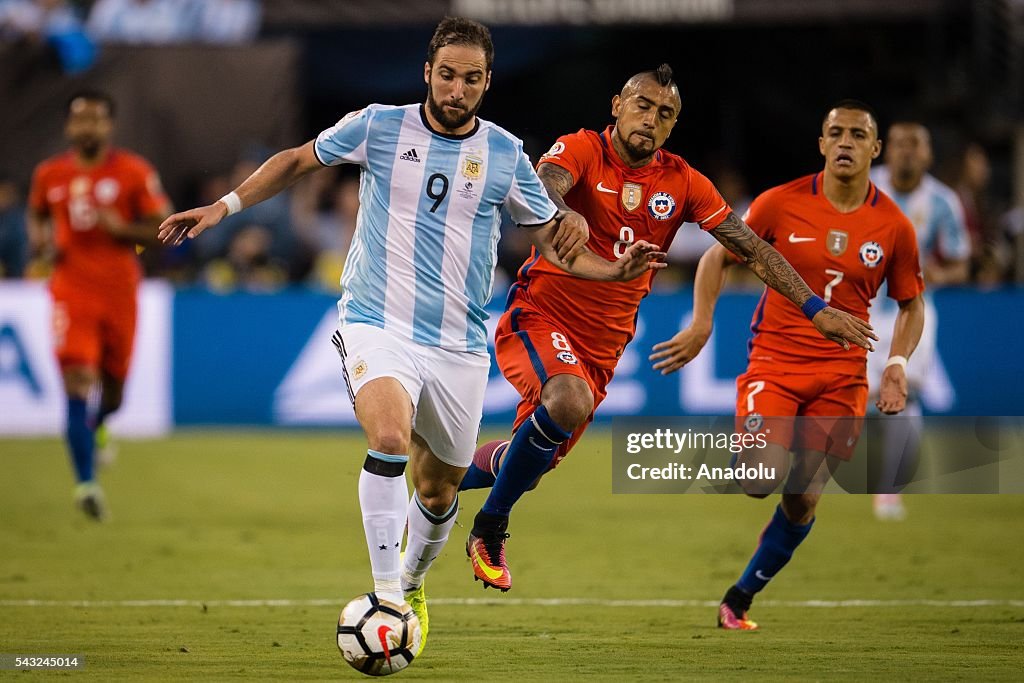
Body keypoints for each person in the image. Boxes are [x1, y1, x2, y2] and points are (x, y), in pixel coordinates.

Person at [157, 16, 665, 657]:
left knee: (439, 485)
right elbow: (293, 162)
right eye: (447, 74)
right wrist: (222, 208)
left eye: (471, 79)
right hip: (375, 321)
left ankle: (413, 582)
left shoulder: (505, 154)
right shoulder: (377, 124)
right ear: (428, 71)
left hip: (456, 343)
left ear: (487, 83)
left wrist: (614, 268)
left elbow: (554, 243)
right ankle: (388, 597)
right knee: (390, 440)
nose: (457, 89)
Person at [458, 67, 877, 593]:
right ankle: (489, 530)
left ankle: (441, 485)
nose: (650, 119)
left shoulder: (682, 182)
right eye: (641, 105)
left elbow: (750, 248)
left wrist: (816, 309)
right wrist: (565, 212)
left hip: (602, 348)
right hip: (539, 318)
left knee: (527, 461)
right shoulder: (582, 149)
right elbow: (546, 188)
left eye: (665, 113)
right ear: (616, 105)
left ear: (673, 125)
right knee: (568, 400)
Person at [654, 100, 926, 630]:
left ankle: (739, 597)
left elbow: (912, 302)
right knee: (759, 480)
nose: (845, 142)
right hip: (775, 365)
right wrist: (703, 322)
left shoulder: (893, 225)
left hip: (844, 376)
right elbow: (716, 254)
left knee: (802, 498)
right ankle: (754, 444)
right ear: (822, 144)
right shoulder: (779, 203)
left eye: (857, 135)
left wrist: (895, 362)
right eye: (835, 133)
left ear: (875, 150)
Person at [27, 89, 171, 520]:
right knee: (76, 378)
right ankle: (85, 483)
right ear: (68, 126)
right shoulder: (49, 174)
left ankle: (100, 424)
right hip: (70, 289)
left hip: (120, 292)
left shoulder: (133, 172)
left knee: (113, 392)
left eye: (95, 119)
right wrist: (41, 240)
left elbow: (163, 226)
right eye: (79, 120)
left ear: (109, 125)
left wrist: (123, 230)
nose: (87, 127)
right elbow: (37, 214)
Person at [868, 121, 970, 520]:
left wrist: (931, 275)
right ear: (884, 150)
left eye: (915, 145)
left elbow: (961, 265)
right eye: (898, 144)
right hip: (860, 309)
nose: (906, 152)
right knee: (845, 395)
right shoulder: (865, 188)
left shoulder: (943, 202)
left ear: (927, 154)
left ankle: (889, 491)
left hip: (913, 313)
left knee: (903, 397)